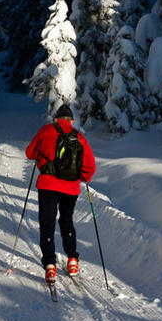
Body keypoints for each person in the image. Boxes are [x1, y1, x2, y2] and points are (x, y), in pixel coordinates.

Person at [25, 104, 96, 284]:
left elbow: (30, 153)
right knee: (66, 220)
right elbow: (90, 166)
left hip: (48, 185)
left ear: (56, 119)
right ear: (71, 121)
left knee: (47, 222)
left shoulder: (46, 130)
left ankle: (50, 265)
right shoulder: (79, 137)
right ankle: (72, 260)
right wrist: (84, 177)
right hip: (70, 188)